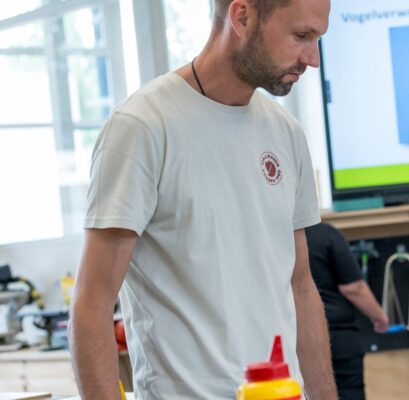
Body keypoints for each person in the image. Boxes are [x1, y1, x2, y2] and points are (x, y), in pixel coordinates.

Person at [69, 0, 337, 398]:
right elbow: (92, 306)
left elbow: (300, 287)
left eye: (317, 39)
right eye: (301, 36)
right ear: (242, 16)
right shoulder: (142, 127)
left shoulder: (286, 133)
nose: (312, 59)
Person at [305, 222, 389, 400]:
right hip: (339, 336)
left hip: (300, 339)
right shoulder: (325, 234)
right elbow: (354, 288)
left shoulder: (275, 238)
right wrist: (379, 317)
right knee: (349, 392)